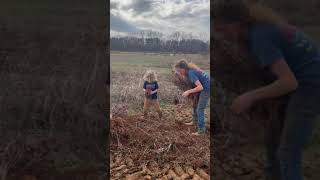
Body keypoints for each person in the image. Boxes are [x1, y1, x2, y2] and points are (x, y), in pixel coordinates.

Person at [213, 0, 320, 180]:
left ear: (238, 24)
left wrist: (250, 96)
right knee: (273, 141)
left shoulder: (260, 37)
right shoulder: (260, 30)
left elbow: (288, 82)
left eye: (223, 29)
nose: (221, 35)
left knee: (288, 151)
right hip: (303, 82)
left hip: (311, 86)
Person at [174, 60, 210, 136]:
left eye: (179, 71)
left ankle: (201, 130)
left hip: (207, 88)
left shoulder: (191, 73)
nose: (180, 73)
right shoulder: (188, 72)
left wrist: (188, 92)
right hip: (203, 87)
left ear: (183, 68)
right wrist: (191, 92)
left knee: (200, 109)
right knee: (195, 104)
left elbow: (200, 87)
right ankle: (194, 121)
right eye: (178, 72)